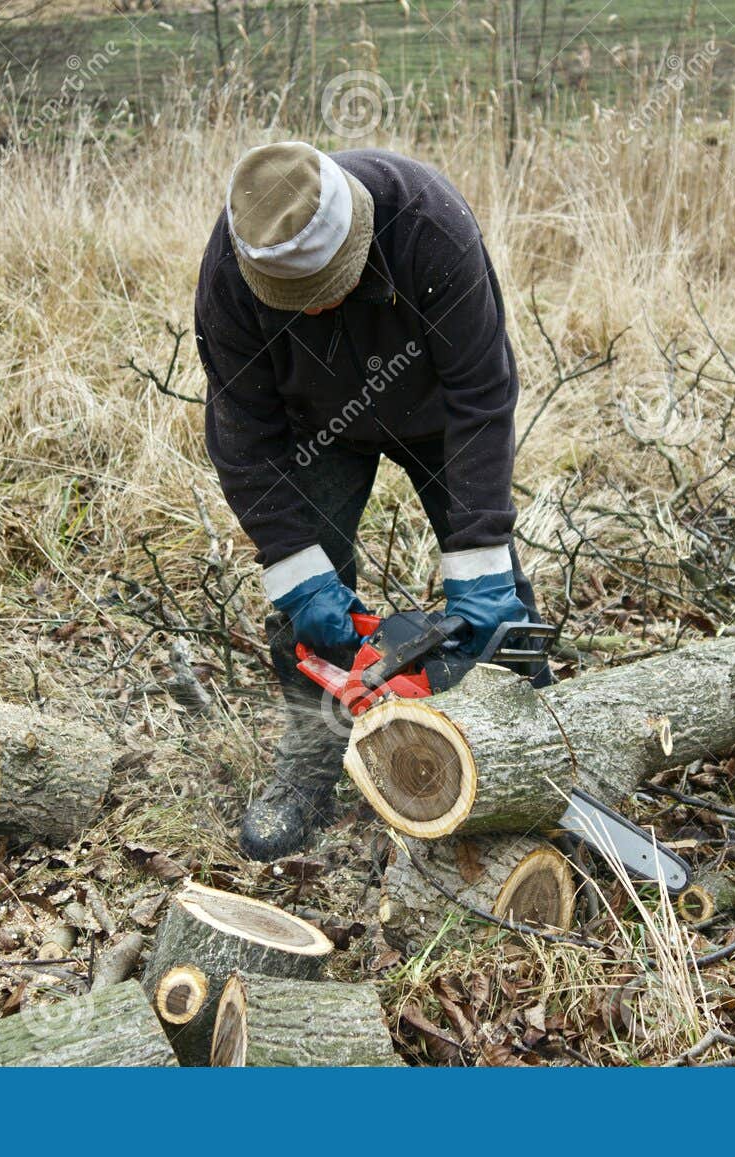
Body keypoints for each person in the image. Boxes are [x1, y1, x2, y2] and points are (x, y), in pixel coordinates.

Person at [195, 140, 547, 861]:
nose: (319, 306)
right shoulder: (231, 273)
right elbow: (242, 434)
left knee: (497, 596)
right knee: (309, 616)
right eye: (300, 297)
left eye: (330, 284)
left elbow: (483, 394)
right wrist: (298, 569)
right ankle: (310, 761)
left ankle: (536, 733)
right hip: (313, 425)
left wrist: (478, 569)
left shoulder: (428, 222)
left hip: (442, 414)